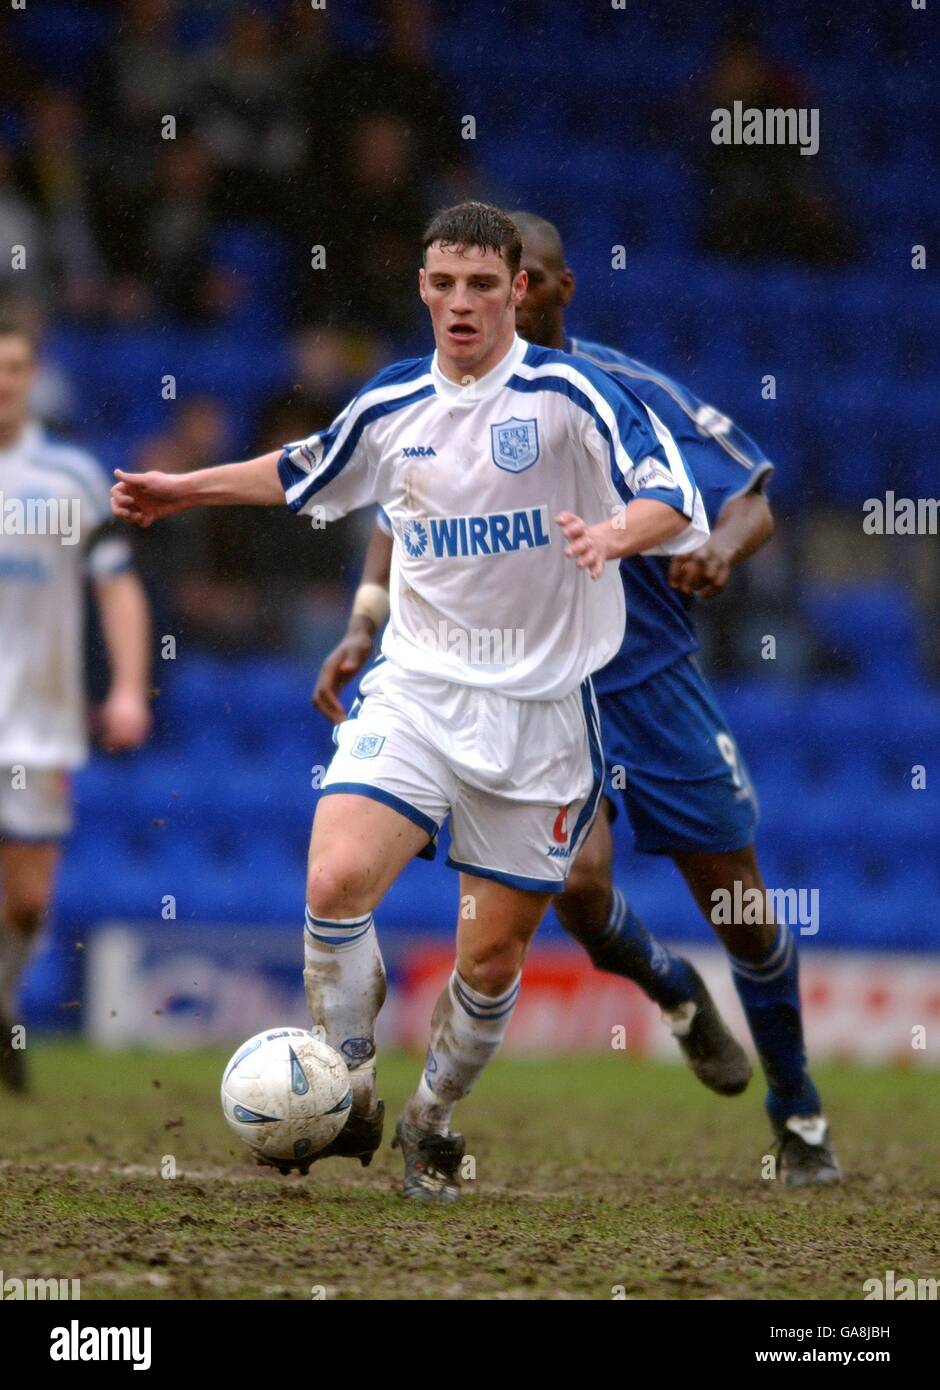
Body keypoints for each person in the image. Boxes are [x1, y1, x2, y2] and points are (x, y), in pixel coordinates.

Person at [111, 201, 708, 1202]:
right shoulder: (394, 406)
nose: (461, 303)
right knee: (336, 877)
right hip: (419, 687)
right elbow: (300, 470)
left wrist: (619, 535)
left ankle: (431, 1117)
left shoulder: (571, 393)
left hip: (541, 714)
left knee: (489, 954)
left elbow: (672, 493)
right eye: (443, 284)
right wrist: (182, 488)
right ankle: (347, 1085)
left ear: (517, 290)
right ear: (423, 290)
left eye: (483, 284)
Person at [314, 212, 840, 1188]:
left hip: (647, 679)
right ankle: (669, 988)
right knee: (578, 885)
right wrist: (365, 617)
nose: (497, 299)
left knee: (737, 903)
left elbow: (749, 489)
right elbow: (399, 507)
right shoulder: (444, 394)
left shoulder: (622, 389)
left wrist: (718, 549)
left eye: (526, 282)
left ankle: (796, 1104)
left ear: (553, 289)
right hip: (533, 690)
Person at [0, 321, 152, 1092]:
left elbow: (116, 582)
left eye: (15, 366)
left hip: (38, 723)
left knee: (27, 902)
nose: (3, 381)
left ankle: (2, 1001)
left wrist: (127, 687)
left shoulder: (69, 477)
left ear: (32, 375)